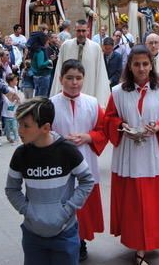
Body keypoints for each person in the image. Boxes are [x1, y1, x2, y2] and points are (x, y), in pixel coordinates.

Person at [104, 46, 159, 264]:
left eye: (145, 64)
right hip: (128, 153)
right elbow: (108, 118)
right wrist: (122, 125)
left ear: (151, 65)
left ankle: (148, 241)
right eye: (137, 64)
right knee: (133, 201)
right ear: (129, 66)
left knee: (151, 201)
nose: (141, 68)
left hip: (152, 153)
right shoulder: (117, 92)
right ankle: (137, 241)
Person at [5, 97, 94, 265]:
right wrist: (27, 210)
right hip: (32, 236)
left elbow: (87, 180)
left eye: (26, 126)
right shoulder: (20, 154)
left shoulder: (67, 151)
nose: (20, 130)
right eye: (19, 124)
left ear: (45, 128)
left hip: (65, 234)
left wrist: (67, 209)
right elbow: (11, 189)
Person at [50, 60, 108, 261]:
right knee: (62, 201)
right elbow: (43, 132)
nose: (74, 83)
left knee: (83, 204)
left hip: (86, 159)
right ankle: (62, 239)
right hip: (59, 162)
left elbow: (102, 130)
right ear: (61, 79)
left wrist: (88, 137)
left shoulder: (92, 103)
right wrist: (59, 140)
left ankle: (80, 240)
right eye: (69, 78)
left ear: (84, 79)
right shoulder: (51, 104)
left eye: (78, 78)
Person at [50, 20, 111, 106]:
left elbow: (100, 73)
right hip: (68, 92)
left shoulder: (95, 48)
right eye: (79, 31)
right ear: (75, 30)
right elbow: (59, 70)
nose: (81, 34)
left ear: (88, 31)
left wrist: (100, 100)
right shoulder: (66, 46)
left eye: (83, 31)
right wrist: (58, 89)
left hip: (89, 93)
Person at [28, 32, 53, 97]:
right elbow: (40, 65)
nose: (48, 43)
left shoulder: (35, 50)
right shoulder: (40, 52)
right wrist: (49, 61)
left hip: (37, 76)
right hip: (42, 77)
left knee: (37, 95)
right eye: (47, 42)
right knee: (42, 96)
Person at [2, 73, 23, 144]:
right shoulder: (7, 89)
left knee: (14, 127)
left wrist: (18, 101)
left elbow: (17, 98)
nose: (17, 82)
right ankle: (9, 138)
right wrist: (13, 100)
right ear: (11, 82)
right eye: (16, 80)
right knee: (7, 128)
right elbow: (5, 99)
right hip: (7, 112)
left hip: (14, 111)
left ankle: (16, 139)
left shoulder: (16, 88)